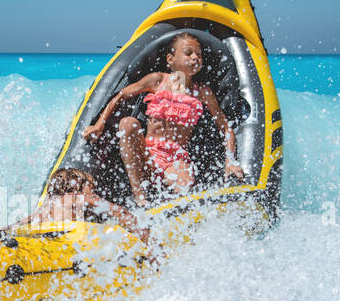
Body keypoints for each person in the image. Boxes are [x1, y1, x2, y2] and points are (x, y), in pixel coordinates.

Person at [81, 33, 244, 205]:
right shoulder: (158, 80)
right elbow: (120, 95)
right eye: (189, 53)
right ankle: (141, 199)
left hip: (176, 159)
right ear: (170, 59)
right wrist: (98, 125)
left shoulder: (202, 91)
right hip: (147, 154)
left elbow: (226, 128)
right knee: (128, 123)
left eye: (199, 55)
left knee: (184, 191)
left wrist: (230, 160)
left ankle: (162, 204)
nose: (196, 57)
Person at [18, 168, 149, 241]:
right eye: (91, 186)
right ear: (77, 185)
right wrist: (147, 239)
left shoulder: (47, 207)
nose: (94, 191)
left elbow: (22, 223)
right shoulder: (80, 197)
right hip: (67, 246)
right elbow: (120, 212)